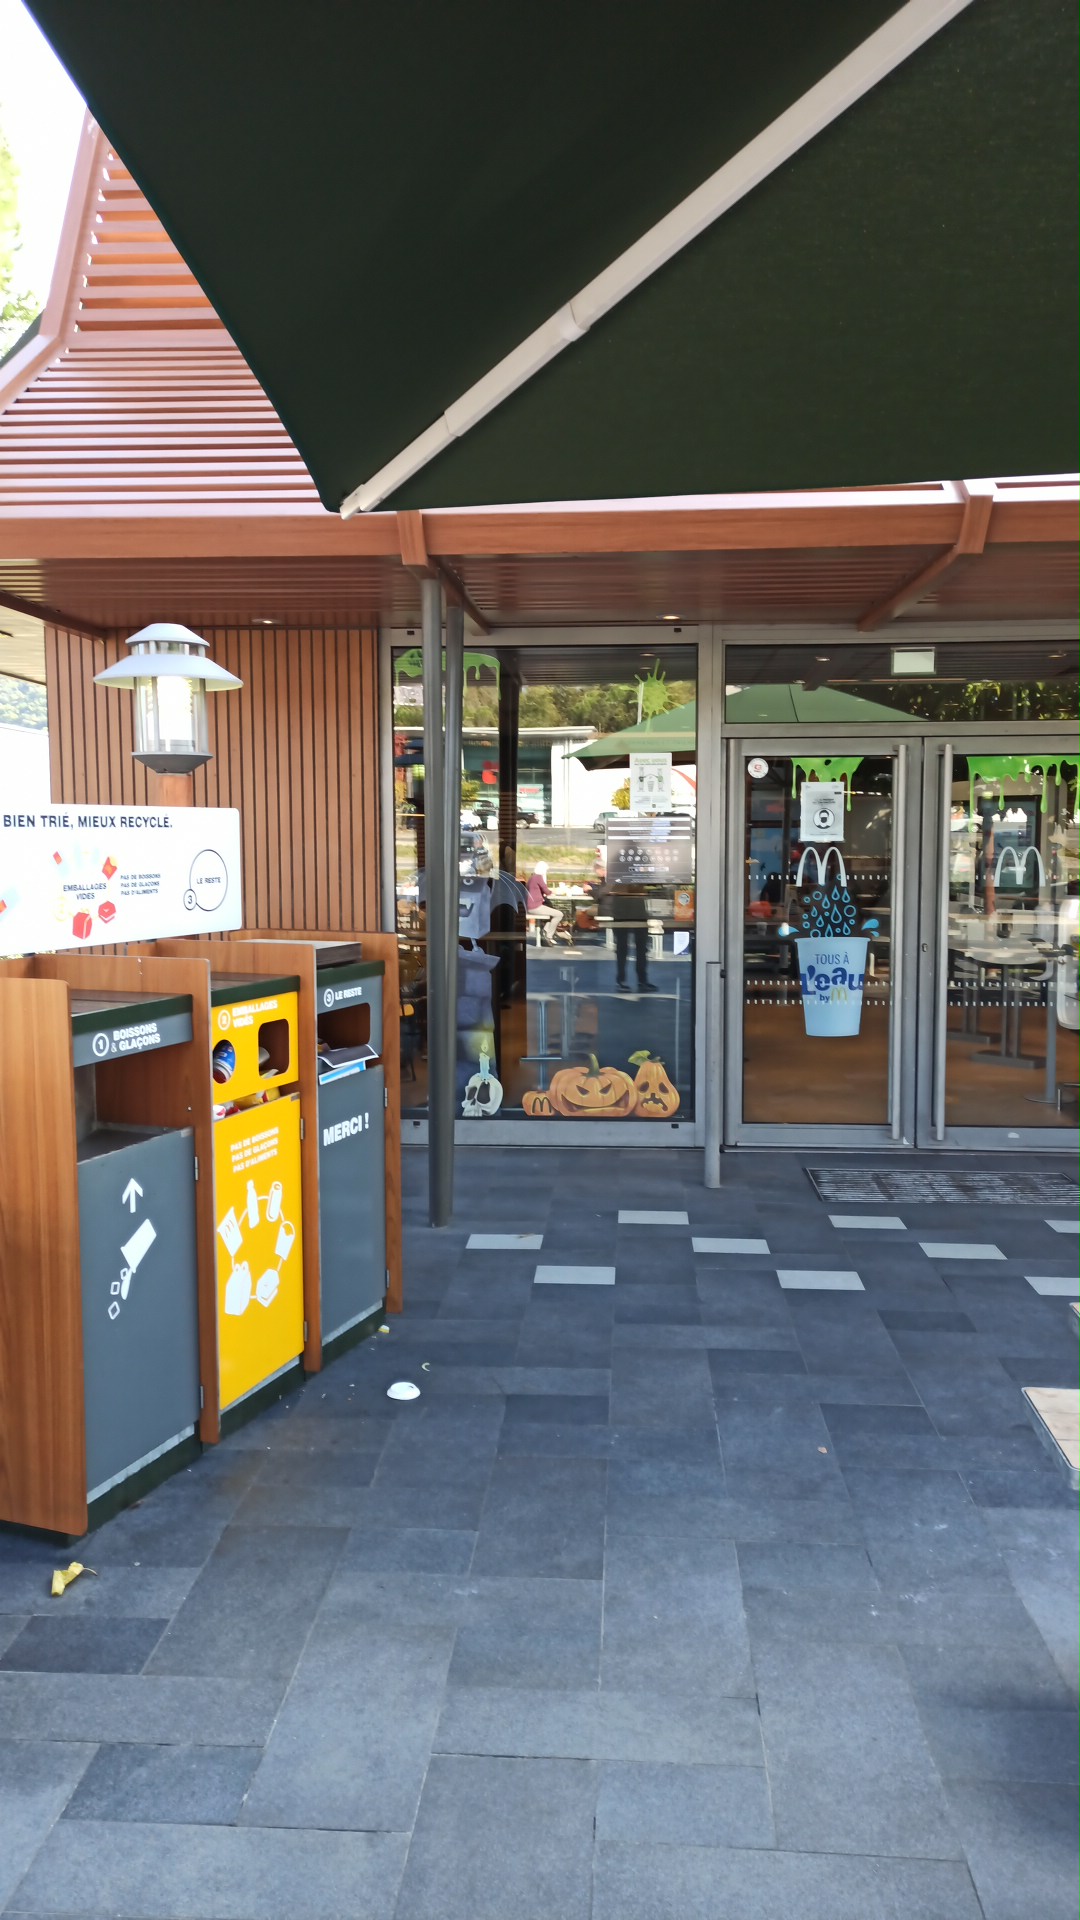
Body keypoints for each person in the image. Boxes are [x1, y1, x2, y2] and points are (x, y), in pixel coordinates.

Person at [526, 861, 566, 946]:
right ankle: (549, 936)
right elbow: (547, 891)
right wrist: (555, 891)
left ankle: (546, 931)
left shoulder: (532, 877)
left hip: (530, 906)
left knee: (552, 913)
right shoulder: (538, 877)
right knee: (559, 914)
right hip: (535, 906)